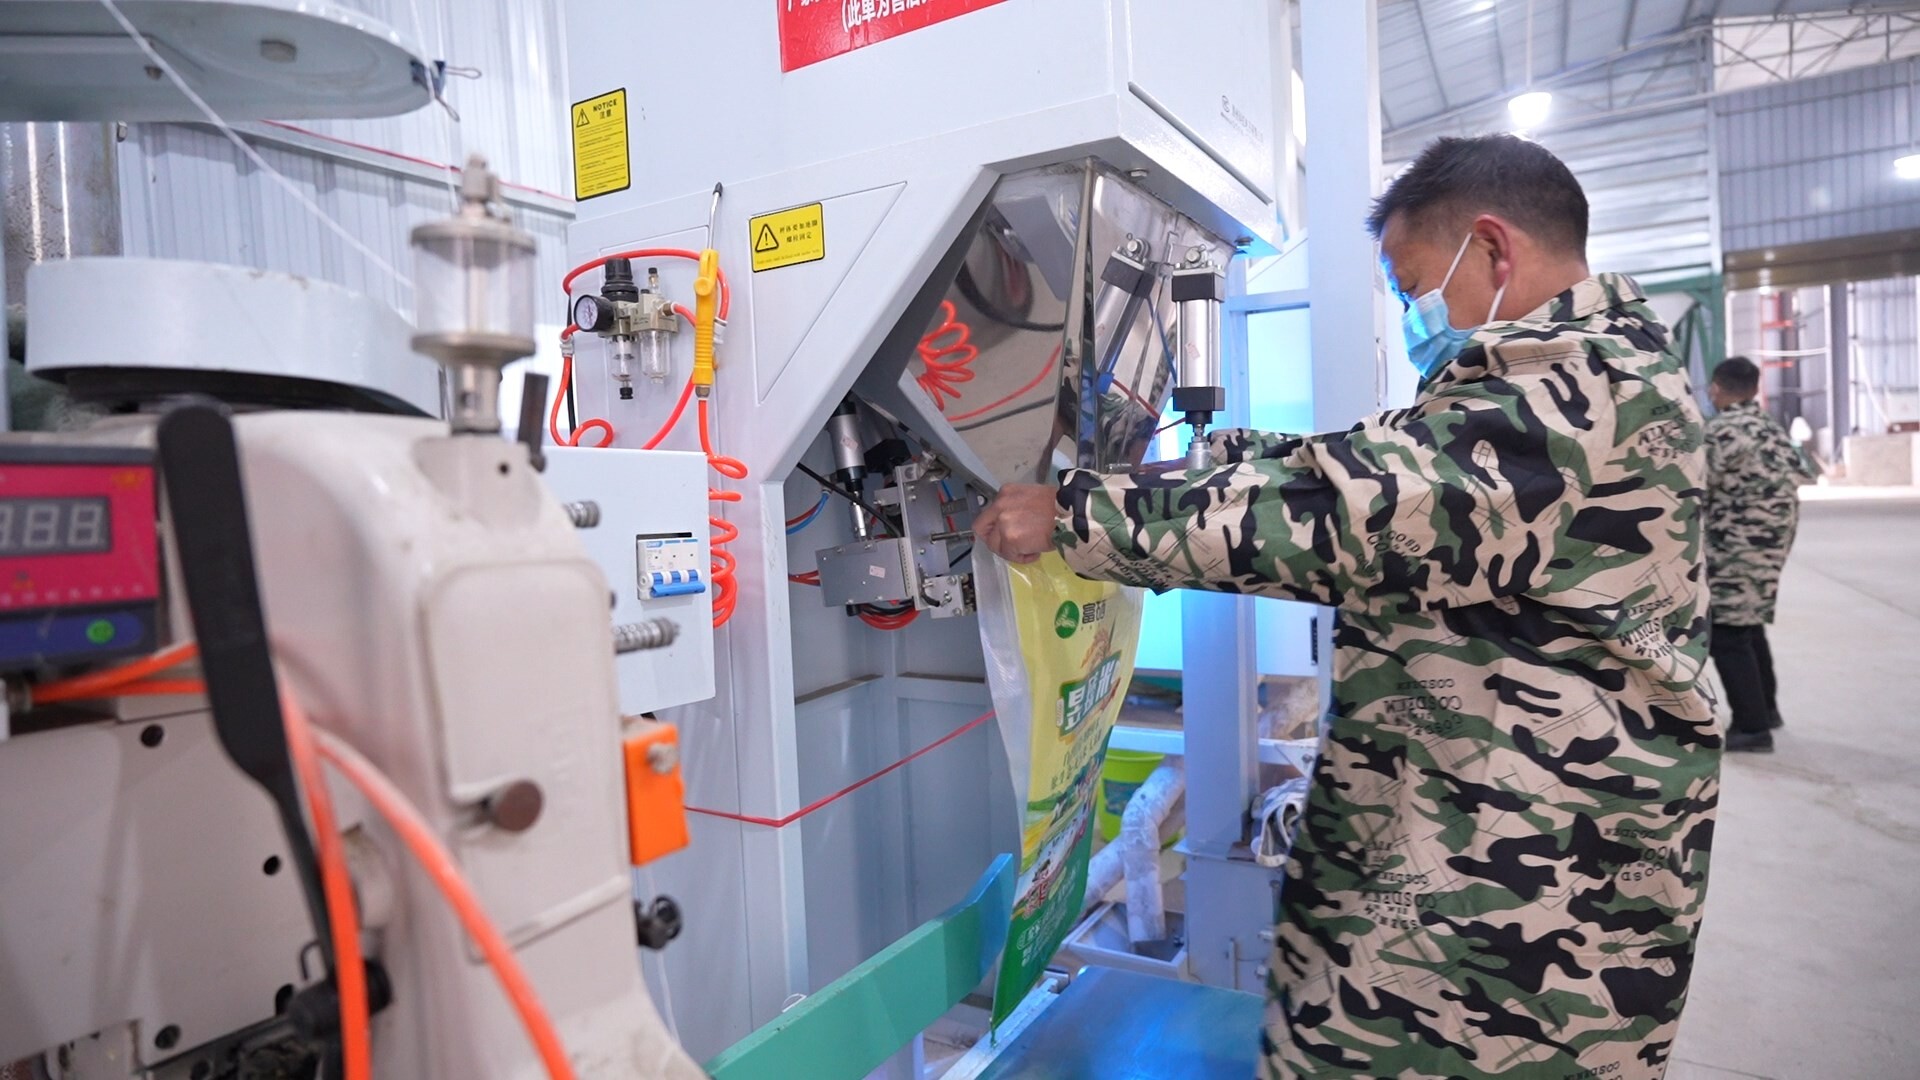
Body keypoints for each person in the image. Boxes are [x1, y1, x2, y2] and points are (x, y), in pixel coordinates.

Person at [974, 134, 1719, 1079]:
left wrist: (1078, 518)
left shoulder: (1580, 390)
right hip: (1467, 850)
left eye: (1413, 287)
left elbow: (1354, 511)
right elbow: (1373, 460)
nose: (1414, 314)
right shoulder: (1563, 377)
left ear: (1493, 248)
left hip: (1524, 910)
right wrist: (1206, 458)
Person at [1704, 356, 1818, 753]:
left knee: (1727, 632)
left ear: (1715, 388)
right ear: (1755, 389)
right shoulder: (1770, 426)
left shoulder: (1721, 430)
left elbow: (1695, 486)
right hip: (1772, 541)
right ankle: (1766, 711)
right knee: (1747, 625)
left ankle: (1752, 728)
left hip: (1738, 542)